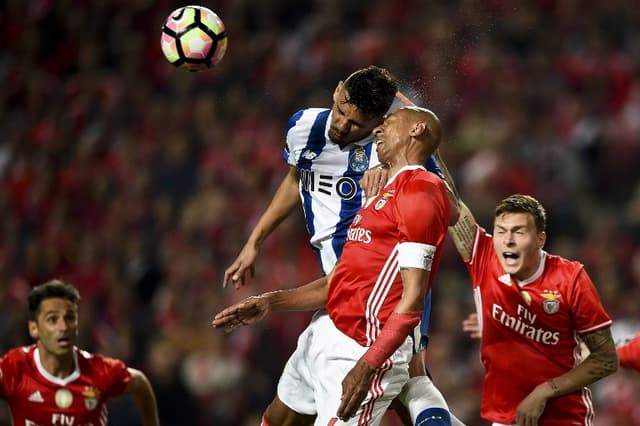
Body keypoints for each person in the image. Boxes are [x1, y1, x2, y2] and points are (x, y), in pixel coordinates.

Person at [222, 65, 462, 425]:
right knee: (287, 412)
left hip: (383, 286)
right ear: (336, 93)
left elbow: (450, 209)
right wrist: (254, 241)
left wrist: (422, 154)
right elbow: (294, 180)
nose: (342, 127)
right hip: (339, 289)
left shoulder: (395, 155)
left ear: (381, 120)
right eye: (341, 113)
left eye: (357, 124)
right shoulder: (303, 127)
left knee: (409, 376)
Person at [440, 184, 619, 424]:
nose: (508, 241)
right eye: (501, 232)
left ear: (540, 239)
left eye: (519, 232)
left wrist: (544, 391)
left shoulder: (570, 278)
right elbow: (453, 204)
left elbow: (606, 359)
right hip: (505, 418)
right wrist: (426, 152)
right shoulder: (484, 257)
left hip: (563, 418)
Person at [0, 279, 160, 426]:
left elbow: (140, 383)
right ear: (34, 328)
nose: (63, 327)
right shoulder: (16, 367)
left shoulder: (100, 371)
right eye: (52, 319)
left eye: (69, 318)